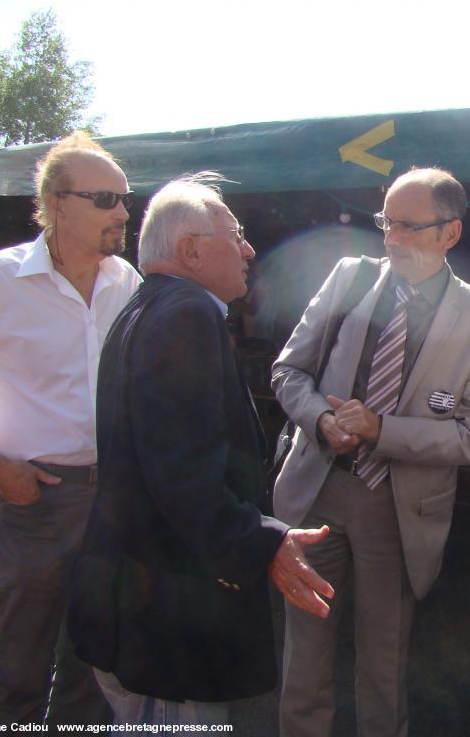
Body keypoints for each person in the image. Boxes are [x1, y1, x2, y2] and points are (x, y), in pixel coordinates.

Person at [65, 173, 334, 725]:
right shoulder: (185, 317)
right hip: (165, 626)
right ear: (190, 250)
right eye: (235, 233)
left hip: (142, 612)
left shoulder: (149, 308)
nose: (249, 248)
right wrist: (265, 543)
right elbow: (183, 479)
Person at [271, 167, 470, 737]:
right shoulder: (349, 279)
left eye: (409, 226)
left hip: (397, 509)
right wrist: (323, 419)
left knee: (384, 660)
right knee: (304, 653)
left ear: (450, 233)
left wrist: (383, 429)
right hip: (318, 490)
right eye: (386, 223)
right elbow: (286, 371)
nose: (392, 238)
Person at [0, 132, 140, 725]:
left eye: (125, 199)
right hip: (38, 497)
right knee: (17, 679)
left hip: (113, 497)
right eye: (105, 199)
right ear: (55, 203)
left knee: (92, 670)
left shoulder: (124, 281)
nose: (123, 213)